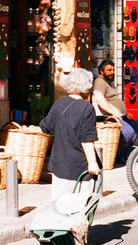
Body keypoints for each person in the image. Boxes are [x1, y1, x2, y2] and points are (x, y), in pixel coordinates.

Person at [40, 68, 100, 201]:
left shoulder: (58, 104)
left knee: (59, 207)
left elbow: (45, 127)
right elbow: (87, 139)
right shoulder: (87, 108)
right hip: (78, 167)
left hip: (58, 165)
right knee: (78, 208)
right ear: (87, 87)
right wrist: (92, 163)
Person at [92, 60, 138, 163]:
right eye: (109, 70)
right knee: (129, 131)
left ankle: (123, 155)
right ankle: (116, 155)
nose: (112, 72)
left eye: (113, 70)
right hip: (107, 116)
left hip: (120, 115)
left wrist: (126, 112)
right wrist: (112, 113)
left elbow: (116, 100)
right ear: (102, 72)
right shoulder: (99, 82)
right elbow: (100, 99)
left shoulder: (109, 83)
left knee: (137, 127)